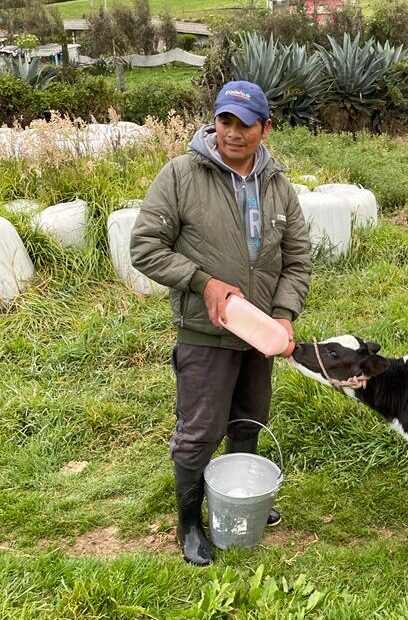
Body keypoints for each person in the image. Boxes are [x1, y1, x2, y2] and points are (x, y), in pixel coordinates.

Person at [130, 81, 312, 566]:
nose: (232, 132)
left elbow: (297, 260)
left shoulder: (277, 184)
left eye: (245, 123)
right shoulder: (181, 175)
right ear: (215, 121)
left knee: (250, 417)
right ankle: (190, 522)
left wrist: (282, 314)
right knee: (201, 430)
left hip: (260, 335)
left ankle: (238, 493)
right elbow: (145, 248)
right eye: (224, 121)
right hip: (206, 332)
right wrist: (202, 282)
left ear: (264, 128)